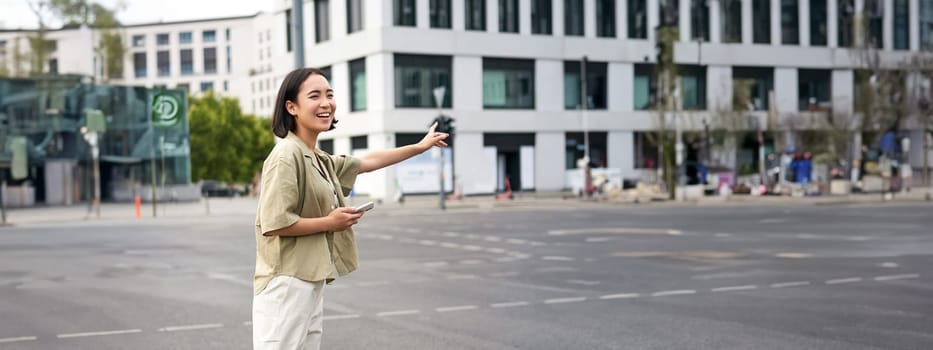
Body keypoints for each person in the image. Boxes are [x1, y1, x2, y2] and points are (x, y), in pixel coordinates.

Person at [252, 67, 448, 350]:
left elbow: (367, 162)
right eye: (315, 95)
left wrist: (419, 147)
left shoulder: (317, 157)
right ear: (291, 107)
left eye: (329, 95)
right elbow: (274, 223)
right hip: (286, 282)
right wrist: (330, 223)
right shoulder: (286, 155)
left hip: (309, 279)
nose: (326, 103)